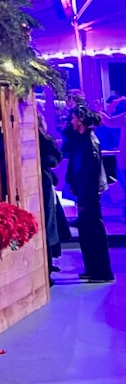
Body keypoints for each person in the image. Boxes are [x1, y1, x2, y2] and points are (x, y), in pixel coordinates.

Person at [65, 104, 114, 284]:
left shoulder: (90, 142)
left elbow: (91, 173)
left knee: (94, 232)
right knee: (86, 232)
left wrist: (86, 195)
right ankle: (93, 269)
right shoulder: (81, 140)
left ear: (80, 120)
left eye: (73, 118)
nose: (70, 121)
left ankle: (102, 272)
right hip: (84, 193)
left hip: (90, 195)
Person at [37, 112, 63, 284]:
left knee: (47, 223)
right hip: (44, 182)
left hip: (44, 183)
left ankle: (47, 266)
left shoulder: (42, 138)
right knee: (48, 222)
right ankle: (48, 264)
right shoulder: (44, 138)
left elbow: (55, 158)